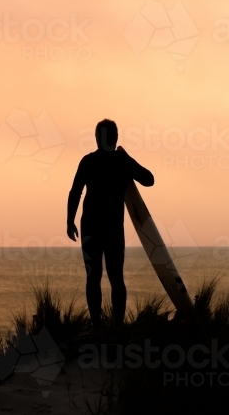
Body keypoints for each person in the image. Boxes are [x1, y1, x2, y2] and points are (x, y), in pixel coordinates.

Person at [67, 119, 154, 327]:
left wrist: (69, 221)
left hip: (92, 227)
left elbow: (75, 193)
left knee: (95, 276)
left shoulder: (89, 161)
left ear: (99, 139)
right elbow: (148, 179)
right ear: (115, 139)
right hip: (113, 228)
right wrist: (128, 158)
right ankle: (117, 325)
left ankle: (98, 325)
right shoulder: (121, 162)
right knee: (114, 277)